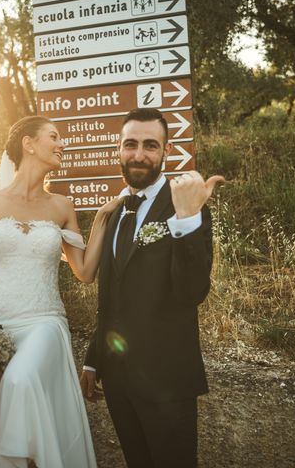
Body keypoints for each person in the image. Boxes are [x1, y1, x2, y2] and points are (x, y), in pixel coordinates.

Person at [0, 115, 119, 468]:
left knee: (20, 380)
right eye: (54, 136)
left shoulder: (62, 206)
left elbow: (84, 273)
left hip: (44, 322)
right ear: (28, 144)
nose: (62, 143)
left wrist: (101, 220)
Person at [80, 108, 224, 468]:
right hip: (119, 380)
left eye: (150, 145)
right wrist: (94, 357)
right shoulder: (115, 213)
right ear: (118, 148)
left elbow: (193, 292)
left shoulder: (187, 207)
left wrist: (188, 219)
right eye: (130, 144)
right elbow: (113, 297)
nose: (139, 154)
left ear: (165, 150)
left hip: (166, 381)